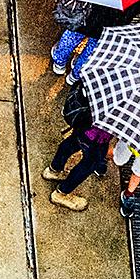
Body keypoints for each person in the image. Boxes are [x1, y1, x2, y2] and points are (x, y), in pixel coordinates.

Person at [45, 81, 112, 212]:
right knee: (90, 163)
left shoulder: (116, 72)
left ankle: (53, 169)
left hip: (84, 118)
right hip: (98, 135)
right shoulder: (134, 103)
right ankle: (61, 193)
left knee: (72, 141)